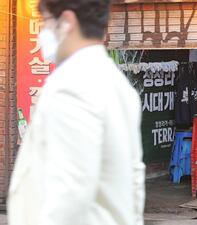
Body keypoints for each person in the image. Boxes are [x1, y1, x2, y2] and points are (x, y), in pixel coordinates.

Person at [8, 1, 145, 225]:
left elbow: (69, 192)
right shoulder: (118, 84)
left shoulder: (71, 85)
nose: (43, 32)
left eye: (46, 22)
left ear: (67, 22)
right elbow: (135, 179)